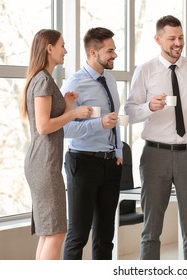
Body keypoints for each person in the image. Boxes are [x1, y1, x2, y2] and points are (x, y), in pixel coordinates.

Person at [125, 15, 187, 260]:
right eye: (172, 38)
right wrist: (149, 107)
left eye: (181, 37)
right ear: (158, 39)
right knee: (151, 228)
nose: (178, 43)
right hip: (155, 155)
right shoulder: (144, 71)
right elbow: (130, 111)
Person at [21, 29, 92, 260]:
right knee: (56, 232)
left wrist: (68, 105)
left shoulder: (41, 79)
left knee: (48, 233)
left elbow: (50, 122)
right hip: (44, 165)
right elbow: (43, 127)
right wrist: (74, 114)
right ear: (49, 48)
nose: (66, 50)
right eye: (62, 45)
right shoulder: (42, 79)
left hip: (43, 163)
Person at [61, 27, 123, 260]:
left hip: (110, 163)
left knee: (105, 237)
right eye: (110, 51)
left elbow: (115, 120)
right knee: (78, 235)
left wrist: (118, 150)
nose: (114, 55)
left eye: (114, 50)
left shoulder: (111, 80)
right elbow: (64, 128)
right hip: (83, 162)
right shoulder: (75, 83)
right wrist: (99, 124)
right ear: (93, 52)